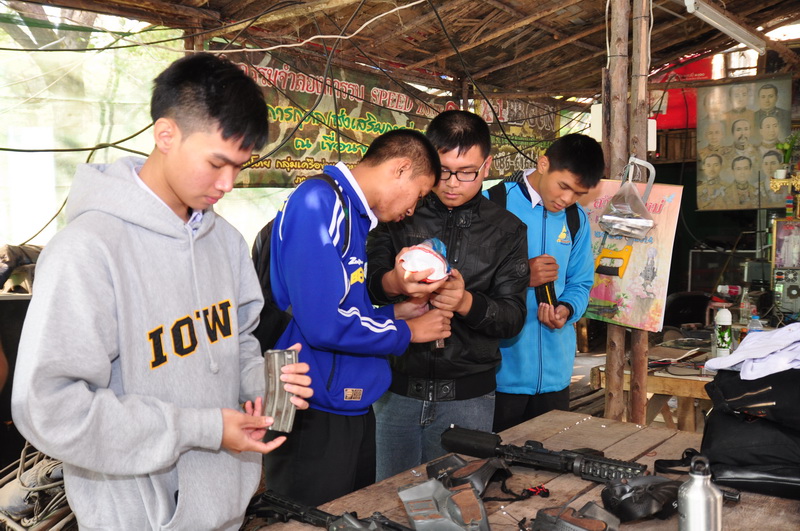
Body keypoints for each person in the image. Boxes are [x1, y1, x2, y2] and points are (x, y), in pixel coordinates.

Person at [10, 53, 313, 530]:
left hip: (225, 507)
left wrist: (263, 385)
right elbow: (50, 407)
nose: (227, 184)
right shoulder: (88, 250)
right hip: (138, 518)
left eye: (239, 167)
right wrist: (205, 428)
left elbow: (238, 341)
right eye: (217, 163)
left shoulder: (226, 241)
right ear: (166, 135)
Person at [262, 128, 453, 506]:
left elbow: (341, 306)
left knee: (349, 514)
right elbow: (323, 324)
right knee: (308, 519)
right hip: (310, 404)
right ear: (401, 169)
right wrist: (407, 331)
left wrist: (392, 311)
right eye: (418, 195)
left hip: (343, 399)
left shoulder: (353, 215)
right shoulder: (319, 201)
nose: (412, 209)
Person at [365, 110, 529, 480]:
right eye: (443, 171)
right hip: (397, 391)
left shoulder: (507, 230)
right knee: (390, 497)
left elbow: (513, 318)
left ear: (487, 166)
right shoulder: (400, 212)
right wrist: (395, 283)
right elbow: (368, 284)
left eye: (466, 172)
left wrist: (466, 302)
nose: (453, 183)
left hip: (469, 398)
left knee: (460, 500)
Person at [486, 133, 604, 434]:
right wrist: (521, 275)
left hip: (556, 375)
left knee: (549, 459)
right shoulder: (492, 204)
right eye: (563, 186)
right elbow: (467, 279)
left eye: (578, 193)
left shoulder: (576, 219)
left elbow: (581, 282)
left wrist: (567, 309)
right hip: (499, 374)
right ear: (543, 164)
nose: (567, 199)